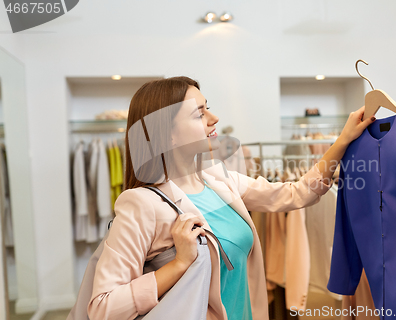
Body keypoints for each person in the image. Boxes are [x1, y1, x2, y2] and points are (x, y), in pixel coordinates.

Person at [87, 76, 376, 320]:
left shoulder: (220, 179)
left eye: (207, 108)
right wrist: (179, 264)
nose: (214, 119)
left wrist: (343, 140)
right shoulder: (142, 203)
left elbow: (297, 193)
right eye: (199, 113)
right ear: (168, 134)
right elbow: (103, 307)